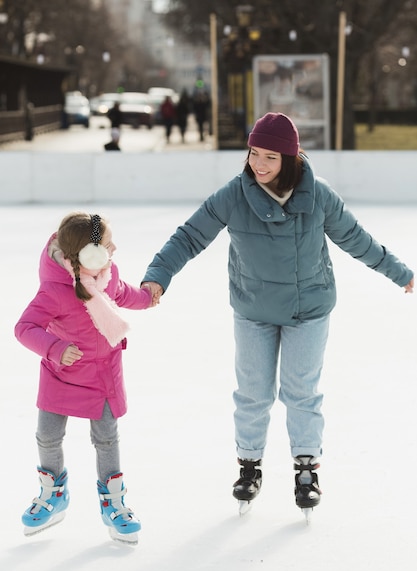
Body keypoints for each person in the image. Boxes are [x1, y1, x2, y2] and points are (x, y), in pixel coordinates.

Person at [141, 112, 414, 520]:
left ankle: (306, 469)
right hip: (254, 308)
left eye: (270, 156)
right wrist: (157, 277)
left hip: (309, 309)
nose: (260, 164)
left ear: (290, 157)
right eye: (254, 153)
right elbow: (190, 236)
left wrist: (400, 273)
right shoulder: (234, 195)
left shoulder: (319, 196)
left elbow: (357, 239)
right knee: (253, 392)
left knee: (301, 391)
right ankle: (249, 466)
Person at [15, 212, 155, 544]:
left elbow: (123, 294)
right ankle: (53, 492)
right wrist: (54, 348)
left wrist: (149, 296)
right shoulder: (54, 290)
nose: (114, 249)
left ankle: (113, 502)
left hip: (101, 372)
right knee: (47, 436)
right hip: (61, 373)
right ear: (87, 255)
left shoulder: (106, 274)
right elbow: (25, 328)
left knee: (106, 438)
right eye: (108, 245)